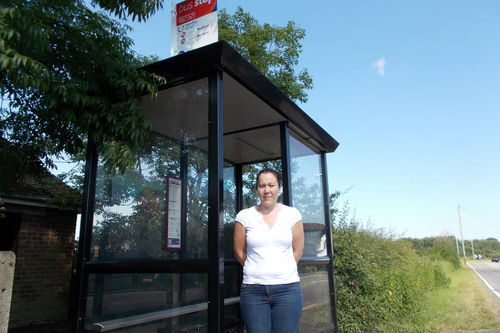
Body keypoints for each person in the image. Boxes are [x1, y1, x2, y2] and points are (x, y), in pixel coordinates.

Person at [233, 168, 305, 333]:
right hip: (253, 291)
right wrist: (255, 267)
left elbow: (298, 250)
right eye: (262, 186)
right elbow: (239, 252)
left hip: (288, 290)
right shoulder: (244, 216)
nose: (267, 190)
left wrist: (282, 268)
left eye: (271, 185)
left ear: (279, 187)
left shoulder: (292, 215)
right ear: (257, 189)